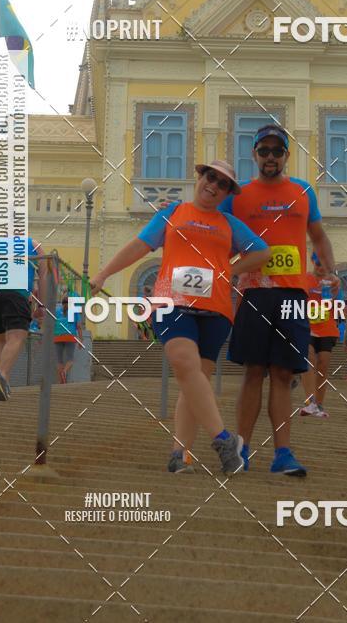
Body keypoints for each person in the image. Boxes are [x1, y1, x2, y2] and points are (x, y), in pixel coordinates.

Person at [90, 160, 270, 476]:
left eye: (222, 184)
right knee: (184, 363)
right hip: (172, 303)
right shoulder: (172, 214)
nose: (213, 186)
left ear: (227, 192)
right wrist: (104, 274)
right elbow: (138, 246)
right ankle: (224, 440)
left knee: (193, 381)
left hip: (215, 311)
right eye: (209, 177)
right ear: (199, 177)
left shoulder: (229, 224)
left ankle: (180, 454)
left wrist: (229, 270)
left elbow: (262, 252)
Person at [219, 124, 339, 476]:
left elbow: (318, 236)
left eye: (277, 151)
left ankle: (283, 453)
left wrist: (330, 269)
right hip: (254, 293)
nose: (270, 157)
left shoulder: (303, 191)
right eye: (263, 151)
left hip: (292, 295)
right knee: (254, 372)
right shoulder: (237, 195)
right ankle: (240, 449)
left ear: (287, 155)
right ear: (254, 154)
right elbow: (215, 229)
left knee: (284, 373)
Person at [0, 236, 46, 400]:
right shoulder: (34, 245)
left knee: (0, 339)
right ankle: (1, 374)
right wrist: (41, 305)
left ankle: (3, 385)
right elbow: (44, 275)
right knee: (17, 336)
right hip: (16, 293)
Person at [300, 252, 340, 418]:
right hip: (307, 326)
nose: (321, 268)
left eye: (324, 265)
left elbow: (337, 303)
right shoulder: (305, 279)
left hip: (327, 328)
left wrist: (335, 292)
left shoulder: (333, 281)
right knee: (309, 359)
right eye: (318, 264)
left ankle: (319, 404)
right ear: (312, 262)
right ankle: (310, 402)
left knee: (323, 364)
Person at [54, 293, 83, 384]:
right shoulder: (75, 311)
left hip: (57, 336)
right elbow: (78, 326)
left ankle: (61, 380)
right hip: (70, 336)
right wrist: (80, 340)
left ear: (62, 303)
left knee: (59, 360)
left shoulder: (56, 310)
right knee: (70, 359)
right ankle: (64, 372)